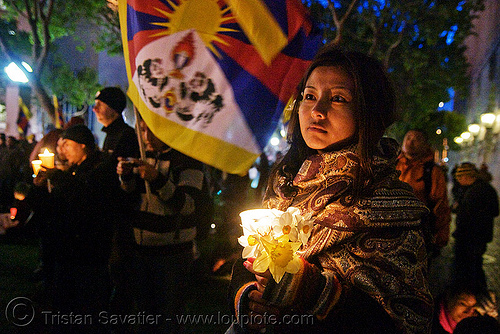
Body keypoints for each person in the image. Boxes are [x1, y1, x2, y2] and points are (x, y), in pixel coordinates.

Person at [227, 45, 433, 333]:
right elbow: (247, 261)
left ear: (369, 112)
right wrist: (251, 296)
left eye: (338, 99)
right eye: (309, 96)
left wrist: (312, 291)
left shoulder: (391, 209)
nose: (317, 111)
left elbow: (402, 320)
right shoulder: (285, 181)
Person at [117, 118, 210, 333]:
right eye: (142, 130)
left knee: (168, 317)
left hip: (172, 253)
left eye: (153, 130)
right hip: (141, 249)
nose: (146, 137)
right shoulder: (142, 155)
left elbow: (187, 206)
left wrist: (158, 179)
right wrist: (125, 177)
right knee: (145, 316)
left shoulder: (187, 160)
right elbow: (131, 195)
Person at [28, 124, 121, 333]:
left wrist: (57, 178)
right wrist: (39, 188)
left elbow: (84, 200)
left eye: (67, 145)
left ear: (83, 146)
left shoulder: (100, 170)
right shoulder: (73, 171)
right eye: (61, 145)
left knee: (85, 311)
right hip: (67, 251)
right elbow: (53, 207)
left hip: (88, 254)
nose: (63, 151)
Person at [93, 86, 140, 327]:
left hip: (121, 215)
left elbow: (122, 178)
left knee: (120, 267)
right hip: (109, 212)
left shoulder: (126, 136)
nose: (94, 109)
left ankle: (120, 315)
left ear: (112, 107)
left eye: (99, 104)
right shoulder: (110, 135)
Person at [396, 129, 451, 258]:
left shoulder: (432, 172)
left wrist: (440, 237)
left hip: (419, 237)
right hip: (390, 234)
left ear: (426, 145)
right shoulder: (392, 165)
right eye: (408, 137)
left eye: (417, 139)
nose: (411, 142)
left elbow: (441, 205)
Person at [452, 162, 499, 289]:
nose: (458, 181)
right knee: (476, 266)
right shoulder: (487, 188)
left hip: (470, 238)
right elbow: (495, 211)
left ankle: (473, 294)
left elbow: (466, 216)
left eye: (459, 178)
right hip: (481, 237)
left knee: (470, 269)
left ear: (467, 177)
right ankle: (477, 293)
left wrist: (458, 209)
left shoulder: (474, 192)